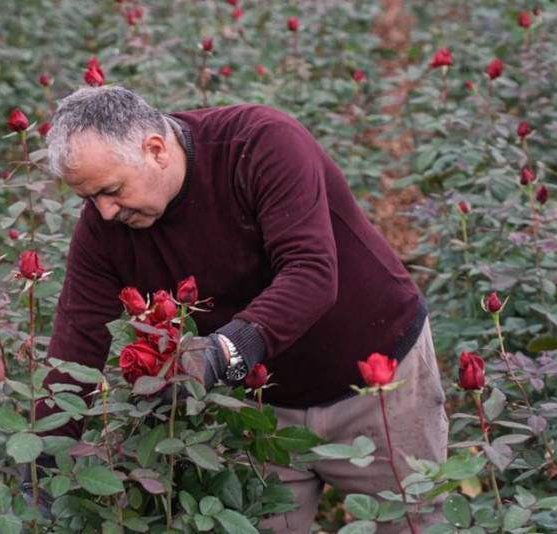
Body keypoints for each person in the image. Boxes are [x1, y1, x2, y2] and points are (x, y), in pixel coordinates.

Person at [34, 86, 448, 533]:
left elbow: (310, 272)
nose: (105, 211)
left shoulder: (260, 144)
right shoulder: (103, 228)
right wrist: (38, 477)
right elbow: (79, 341)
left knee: (411, 523)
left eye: (111, 191)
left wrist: (221, 354)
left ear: (155, 150)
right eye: (90, 198)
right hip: (259, 410)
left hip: (376, 383)